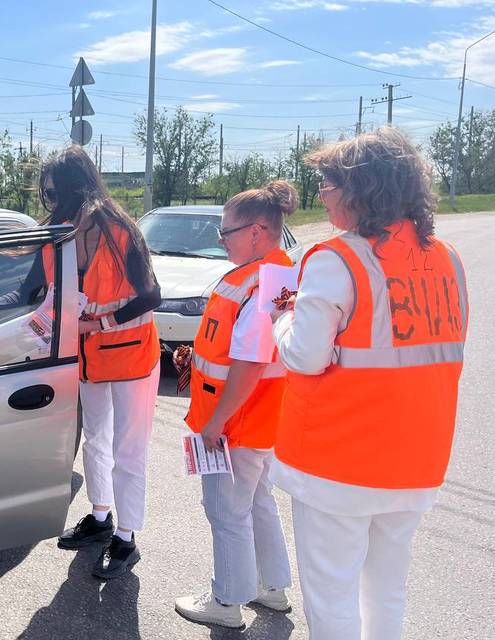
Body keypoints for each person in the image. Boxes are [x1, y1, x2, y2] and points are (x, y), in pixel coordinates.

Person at [270, 127, 469, 640]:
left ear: (363, 190)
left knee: (331, 592)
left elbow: (304, 358)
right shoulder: (448, 259)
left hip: (339, 461)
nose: (321, 195)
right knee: (386, 588)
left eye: (329, 184)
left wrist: (283, 322)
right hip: (415, 459)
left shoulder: (338, 258)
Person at [0, 145, 161, 579]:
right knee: (95, 442)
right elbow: (31, 294)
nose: (48, 201)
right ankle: (101, 518)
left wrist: (97, 324)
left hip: (131, 356)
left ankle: (126, 537)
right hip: (86, 360)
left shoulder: (118, 229)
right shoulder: (59, 234)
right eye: (45, 194)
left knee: (128, 451)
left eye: (51, 192)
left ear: (72, 188)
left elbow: (151, 296)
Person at [171, 181, 295, 629]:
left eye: (227, 231)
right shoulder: (278, 273)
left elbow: (249, 362)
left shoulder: (259, 280)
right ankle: (271, 587)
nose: (220, 239)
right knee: (258, 501)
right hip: (261, 418)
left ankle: (226, 601)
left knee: (226, 510)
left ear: (259, 231)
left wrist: (215, 422)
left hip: (234, 422)